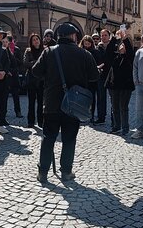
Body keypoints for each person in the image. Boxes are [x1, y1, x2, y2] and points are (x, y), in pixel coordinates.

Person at [32, 23, 99, 183]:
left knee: (48, 138)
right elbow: (94, 76)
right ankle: (66, 171)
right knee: (69, 139)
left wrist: (50, 75)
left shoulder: (49, 52)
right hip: (73, 104)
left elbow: (35, 71)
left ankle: (43, 172)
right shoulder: (84, 54)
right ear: (74, 36)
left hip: (52, 103)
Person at [105, 29, 135, 136]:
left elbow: (130, 52)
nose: (121, 46)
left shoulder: (130, 57)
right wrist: (114, 38)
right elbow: (108, 52)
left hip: (125, 85)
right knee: (115, 107)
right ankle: (117, 126)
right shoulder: (116, 56)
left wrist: (125, 38)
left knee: (123, 107)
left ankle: (125, 127)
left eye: (124, 45)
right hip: (114, 85)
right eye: (120, 45)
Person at [23, 33, 45, 128]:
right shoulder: (28, 51)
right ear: (31, 42)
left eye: (37, 39)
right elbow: (25, 63)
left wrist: (34, 63)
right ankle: (31, 121)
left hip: (41, 80)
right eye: (34, 40)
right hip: (31, 80)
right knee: (31, 102)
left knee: (41, 102)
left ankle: (41, 121)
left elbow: (46, 64)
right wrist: (36, 63)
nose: (36, 41)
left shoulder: (44, 50)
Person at [80, 35, 102, 123]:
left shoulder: (95, 52)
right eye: (85, 43)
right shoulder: (80, 51)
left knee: (92, 98)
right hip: (83, 78)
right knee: (83, 97)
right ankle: (83, 114)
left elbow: (99, 63)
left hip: (92, 79)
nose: (87, 44)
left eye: (88, 43)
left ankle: (91, 115)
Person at [94, 28, 112, 125]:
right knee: (101, 97)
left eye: (105, 35)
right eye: (102, 35)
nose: (103, 37)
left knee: (113, 98)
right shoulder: (97, 48)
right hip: (101, 75)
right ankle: (101, 117)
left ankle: (115, 118)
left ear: (109, 36)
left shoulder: (113, 46)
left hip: (111, 75)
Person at [6, 35, 24, 118]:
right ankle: (4, 112)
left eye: (10, 42)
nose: (9, 44)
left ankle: (18, 111)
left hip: (14, 75)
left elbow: (20, 62)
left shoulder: (16, 50)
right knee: (4, 96)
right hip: (6, 75)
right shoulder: (3, 50)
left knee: (16, 95)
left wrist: (13, 56)